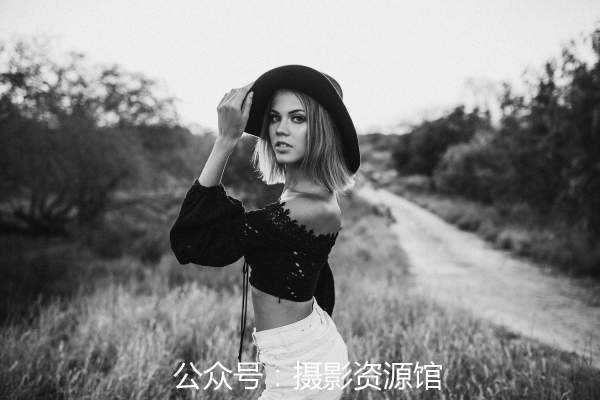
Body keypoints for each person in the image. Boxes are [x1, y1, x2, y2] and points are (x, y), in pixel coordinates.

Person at [170, 65, 361, 399]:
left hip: (300, 366)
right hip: (304, 346)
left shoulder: (304, 209)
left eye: (298, 118)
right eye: (274, 117)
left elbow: (192, 243)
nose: (281, 129)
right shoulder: (306, 190)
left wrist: (225, 141)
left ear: (322, 129)